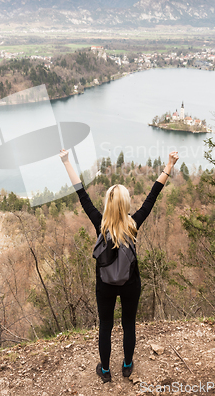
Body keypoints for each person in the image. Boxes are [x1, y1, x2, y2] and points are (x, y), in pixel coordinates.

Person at [59, 149, 179, 383]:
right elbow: (152, 196)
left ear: (107, 205)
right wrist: (169, 165)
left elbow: (81, 194)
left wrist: (66, 162)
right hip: (130, 284)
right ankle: (126, 365)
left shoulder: (100, 224)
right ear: (125, 204)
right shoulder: (133, 224)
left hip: (105, 285)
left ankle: (105, 371)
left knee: (105, 327)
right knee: (128, 325)